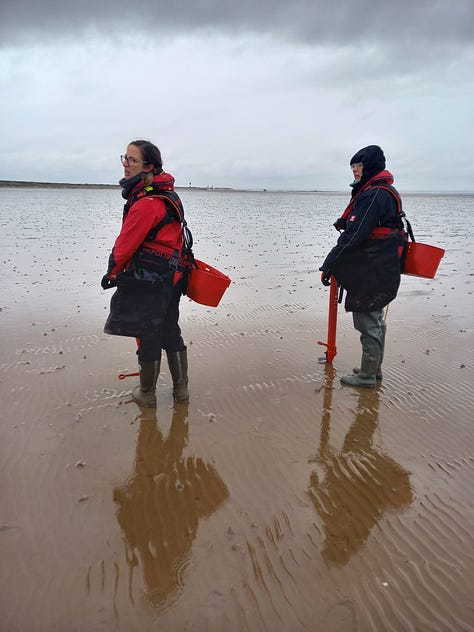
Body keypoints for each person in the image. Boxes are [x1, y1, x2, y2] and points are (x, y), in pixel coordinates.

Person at [101, 140, 192, 406]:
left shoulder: (145, 203)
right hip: (174, 274)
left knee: (148, 331)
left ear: (149, 166)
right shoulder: (169, 195)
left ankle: (148, 394)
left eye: (132, 160)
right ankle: (181, 392)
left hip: (151, 278)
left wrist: (111, 273)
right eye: (125, 158)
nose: (125, 165)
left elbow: (124, 247)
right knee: (169, 328)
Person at [319, 145, 406, 387]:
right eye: (353, 166)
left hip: (374, 267)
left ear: (370, 166)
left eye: (358, 166)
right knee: (376, 318)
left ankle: (367, 376)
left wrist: (330, 263)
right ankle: (373, 369)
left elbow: (355, 234)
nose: (355, 171)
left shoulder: (374, 194)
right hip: (383, 265)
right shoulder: (383, 191)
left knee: (368, 321)